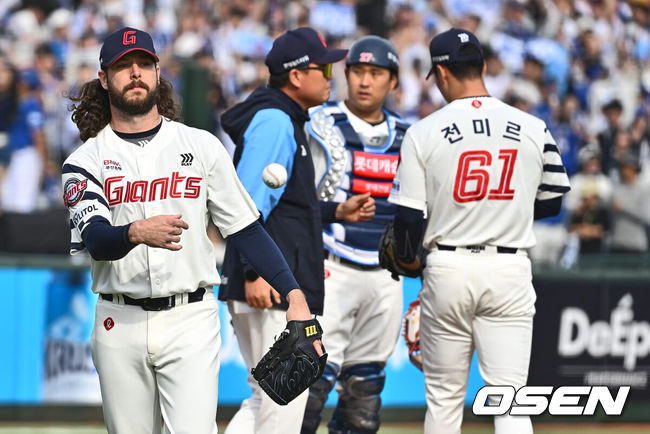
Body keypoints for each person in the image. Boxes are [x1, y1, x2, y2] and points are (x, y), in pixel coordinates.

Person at [62, 27, 319, 434]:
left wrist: (293, 293)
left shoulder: (200, 146)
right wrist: (134, 232)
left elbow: (246, 229)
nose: (135, 73)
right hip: (119, 320)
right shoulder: (85, 161)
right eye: (123, 66)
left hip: (191, 316)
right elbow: (96, 240)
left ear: (158, 72)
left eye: (143, 64)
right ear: (103, 78)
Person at [386, 28, 571, 434]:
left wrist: (406, 257)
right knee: (510, 400)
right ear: (483, 67)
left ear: (441, 73)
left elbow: (407, 222)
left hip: (448, 266)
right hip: (509, 268)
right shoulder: (533, 127)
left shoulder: (423, 132)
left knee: (445, 400)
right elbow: (554, 200)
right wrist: (503, 212)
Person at [218, 27, 372, 434]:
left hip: (271, 278)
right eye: (323, 67)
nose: (330, 75)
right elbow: (244, 209)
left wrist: (336, 211)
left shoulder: (281, 118)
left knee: (263, 396)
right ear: (297, 75)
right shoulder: (274, 121)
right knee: (281, 404)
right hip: (271, 285)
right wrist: (255, 273)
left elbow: (287, 208)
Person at [301, 35, 408, 434]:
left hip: (385, 275)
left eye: (376, 73)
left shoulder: (409, 135)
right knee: (306, 385)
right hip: (329, 265)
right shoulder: (317, 122)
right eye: (357, 71)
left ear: (393, 81)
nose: (365, 81)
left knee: (365, 392)